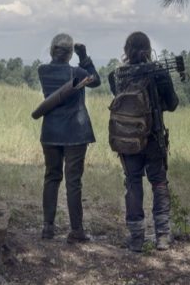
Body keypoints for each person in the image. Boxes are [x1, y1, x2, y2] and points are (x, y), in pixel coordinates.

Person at [108, 31, 179, 252]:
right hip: (154, 138)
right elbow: (173, 104)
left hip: (127, 140)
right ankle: (162, 236)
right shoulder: (158, 73)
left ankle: (137, 237)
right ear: (148, 50)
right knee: (158, 183)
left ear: (126, 50)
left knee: (133, 183)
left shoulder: (118, 76)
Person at [37, 33, 101, 243]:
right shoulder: (78, 72)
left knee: (51, 177)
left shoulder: (43, 71)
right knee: (73, 182)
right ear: (70, 53)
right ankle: (76, 230)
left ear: (52, 50)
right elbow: (96, 81)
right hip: (76, 132)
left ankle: (48, 227)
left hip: (51, 132)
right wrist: (84, 57)